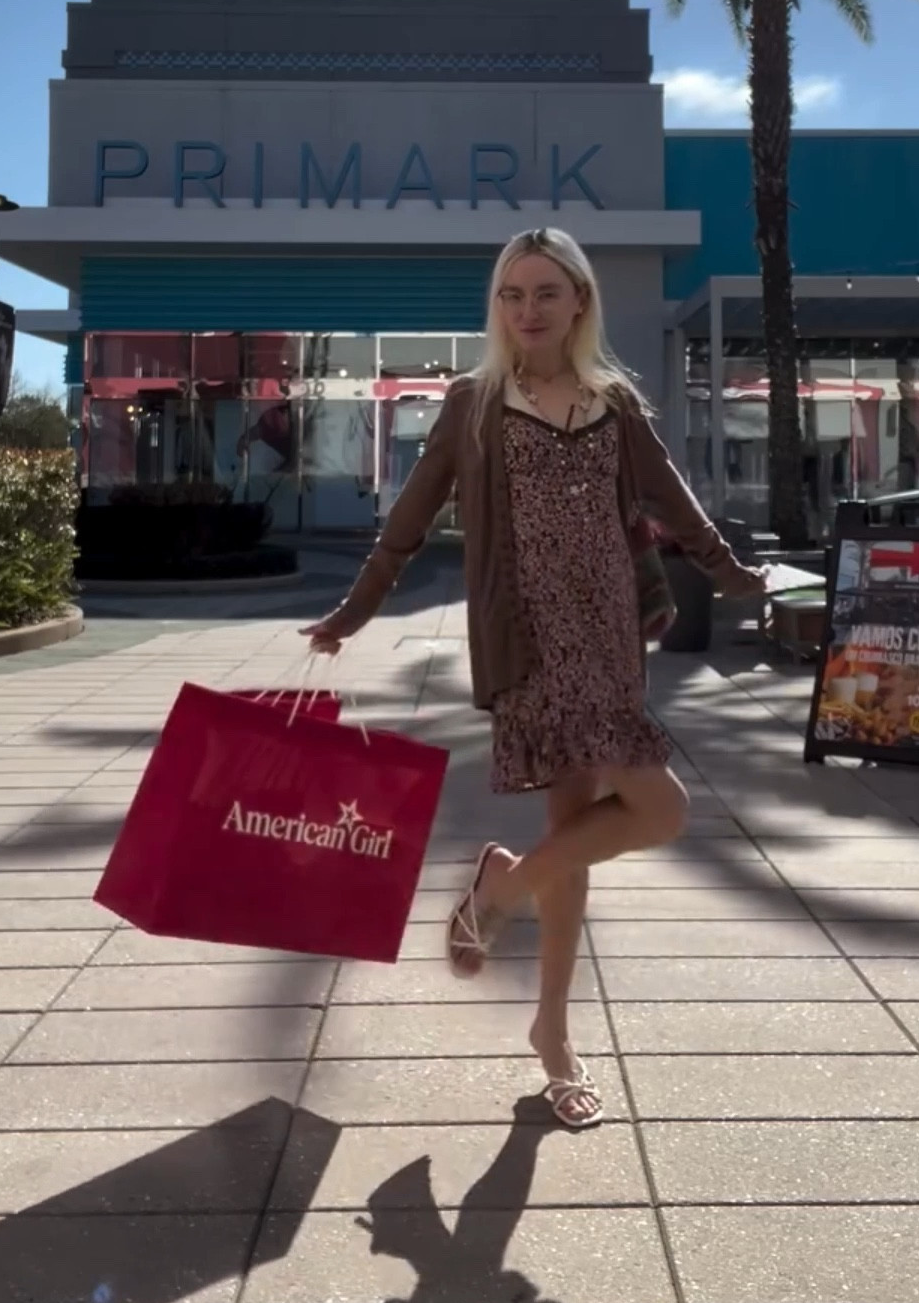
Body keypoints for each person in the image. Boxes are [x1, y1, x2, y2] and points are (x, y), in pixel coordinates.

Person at [303, 226, 766, 1130]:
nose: (529, 311)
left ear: (580, 301)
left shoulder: (613, 401)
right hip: (532, 645)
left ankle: (515, 928)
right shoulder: (474, 402)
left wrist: (730, 571)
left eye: (547, 293)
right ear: (499, 306)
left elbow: (671, 499)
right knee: (657, 809)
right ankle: (540, 998)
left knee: (587, 837)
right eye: (514, 295)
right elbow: (410, 515)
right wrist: (355, 612)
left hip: (610, 642)